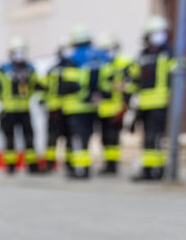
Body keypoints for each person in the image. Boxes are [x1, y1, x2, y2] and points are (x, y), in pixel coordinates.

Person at [127, 16, 175, 181]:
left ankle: (155, 170)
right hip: (144, 104)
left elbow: (178, 76)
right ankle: (149, 169)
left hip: (160, 103)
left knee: (153, 137)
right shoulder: (142, 55)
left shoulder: (169, 53)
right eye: (154, 33)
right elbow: (133, 79)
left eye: (160, 33)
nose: (157, 36)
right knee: (147, 138)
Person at [60, 24, 108, 179]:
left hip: (76, 106)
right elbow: (109, 79)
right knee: (87, 137)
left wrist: (85, 95)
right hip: (93, 106)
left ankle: (81, 170)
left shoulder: (71, 58)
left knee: (78, 139)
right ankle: (84, 168)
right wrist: (98, 95)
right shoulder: (101, 56)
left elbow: (69, 84)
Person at [0, 36, 42, 174]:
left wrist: (28, 97)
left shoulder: (30, 69)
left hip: (25, 109)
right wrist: (4, 101)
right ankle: (10, 165)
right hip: (9, 110)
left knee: (29, 137)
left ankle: (32, 165)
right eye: (17, 51)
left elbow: (35, 86)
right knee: (9, 138)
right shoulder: (3, 69)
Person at [95, 34, 133, 175]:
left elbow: (132, 81)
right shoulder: (99, 66)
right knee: (104, 138)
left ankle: (113, 165)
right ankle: (108, 164)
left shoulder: (123, 63)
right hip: (102, 109)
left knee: (113, 138)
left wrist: (125, 101)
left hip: (117, 108)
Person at [41, 37, 71, 172]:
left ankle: (66, 162)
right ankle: (52, 162)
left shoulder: (55, 70)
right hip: (60, 109)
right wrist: (43, 101)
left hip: (63, 109)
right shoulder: (54, 70)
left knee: (65, 137)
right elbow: (44, 88)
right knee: (54, 138)